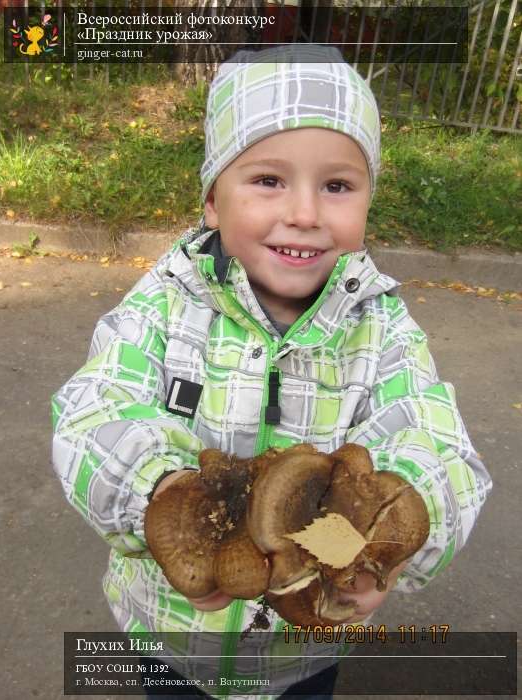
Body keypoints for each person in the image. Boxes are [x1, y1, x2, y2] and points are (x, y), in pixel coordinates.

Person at [51, 44, 492, 700]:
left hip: (301, 649)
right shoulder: (164, 304)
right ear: (211, 201)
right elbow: (93, 408)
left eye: (337, 186)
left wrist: (397, 529)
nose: (305, 213)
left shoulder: (380, 327)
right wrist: (160, 491)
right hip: (173, 637)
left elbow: (436, 441)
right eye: (267, 181)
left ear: (367, 200)